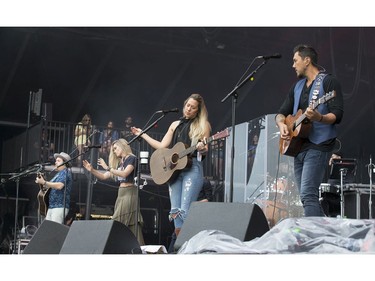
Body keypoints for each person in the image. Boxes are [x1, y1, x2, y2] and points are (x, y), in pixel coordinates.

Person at [275, 44, 344, 217]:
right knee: (306, 198)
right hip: (298, 146)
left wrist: (319, 118)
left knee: (308, 194)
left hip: (318, 144)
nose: (293, 65)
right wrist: (283, 125)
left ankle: (314, 237)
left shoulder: (328, 82)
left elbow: (337, 114)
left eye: (295, 60)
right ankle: (324, 234)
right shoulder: (297, 87)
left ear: (307, 60)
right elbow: (281, 113)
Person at [131, 93, 211, 239]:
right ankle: (180, 245)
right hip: (175, 171)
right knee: (175, 210)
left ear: (197, 111)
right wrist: (142, 134)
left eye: (193, 108)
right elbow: (162, 146)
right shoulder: (175, 124)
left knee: (185, 210)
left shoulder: (203, 125)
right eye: (188, 105)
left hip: (192, 168)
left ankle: (192, 243)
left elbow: (205, 148)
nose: (188, 109)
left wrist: (202, 147)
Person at [82, 138, 145, 245]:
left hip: (130, 193)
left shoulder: (132, 158)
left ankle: (134, 245)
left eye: (115, 148)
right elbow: (103, 176)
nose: (114, 152)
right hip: (121, 194)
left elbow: (125, 173)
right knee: (121, 221)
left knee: (124, 221)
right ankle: (125, 245)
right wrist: (92, 170)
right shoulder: (121, 162)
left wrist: (108, 167)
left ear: (122, 146)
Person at [167, 178, 213, 253]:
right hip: (182, 218)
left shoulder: (204, 181)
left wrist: (193, 205)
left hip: (196, 217)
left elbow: (209, 199)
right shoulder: (181, 182)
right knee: (174, 244)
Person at [35, 152, 73, 224]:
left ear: (65, 163)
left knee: (54, 231)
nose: (56, 162)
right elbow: (48, 187)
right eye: (56, 160)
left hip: (59, 206)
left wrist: (44, 182)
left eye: (58, 161)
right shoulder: (58, 174)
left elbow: (59, 186)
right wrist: (41, 182)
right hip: (52, 206)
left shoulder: (65, 172)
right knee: (48, 230)